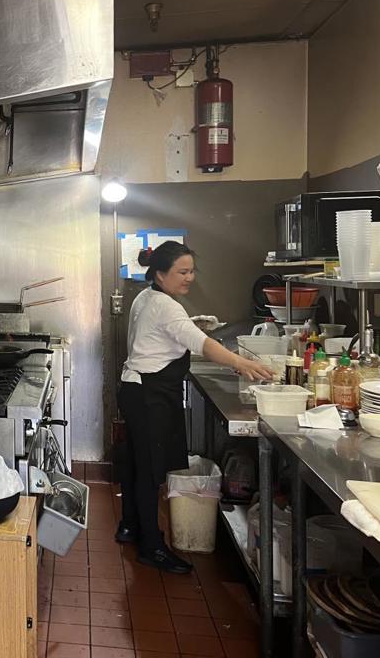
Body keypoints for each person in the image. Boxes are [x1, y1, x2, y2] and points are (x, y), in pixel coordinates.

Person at [116, 241, 273, 574]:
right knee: (149, 472)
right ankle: (151, 547)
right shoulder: (166, 306)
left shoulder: (146, 297)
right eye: (182, 272)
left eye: (191, 271)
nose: (189, 277)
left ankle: (130, 526)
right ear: (160, 274)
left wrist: (191, 330)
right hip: (150, 395)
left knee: (136, 463)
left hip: (135, 389)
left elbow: (161, 336)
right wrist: (241, 363)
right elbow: (203, 345)